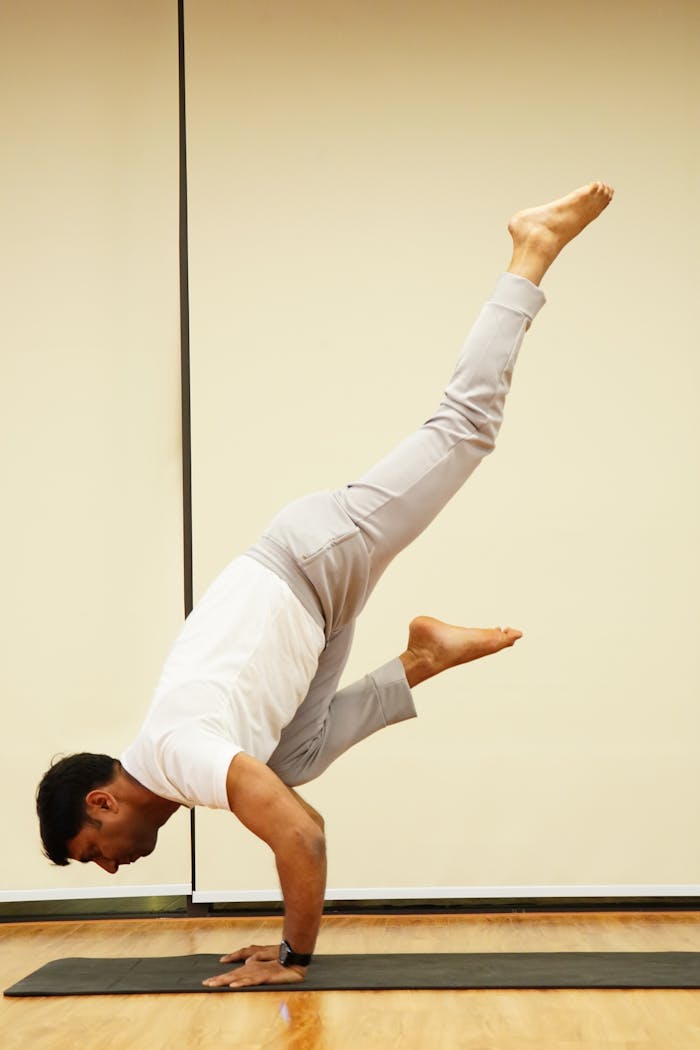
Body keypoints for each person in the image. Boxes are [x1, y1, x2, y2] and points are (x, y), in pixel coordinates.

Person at [36, 182, 614, 989]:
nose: (107, 870)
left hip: (310, 558)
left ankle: (531, 248)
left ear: (102, 803)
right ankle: (421, 656)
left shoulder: (175, 752)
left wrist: (292, 958)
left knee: (465, 427)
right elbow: (289, 802)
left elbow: (302, 837)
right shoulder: (180, 760)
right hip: (314, 605)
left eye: (92, 853)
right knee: (290, 758)